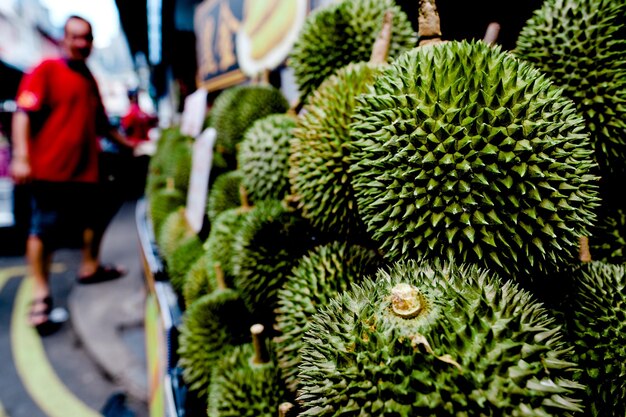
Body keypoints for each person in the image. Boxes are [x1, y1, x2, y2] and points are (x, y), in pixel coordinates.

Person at [10, 15, 136, 335]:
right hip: (50, 171)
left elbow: (103, 125)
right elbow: (23, 115)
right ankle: (41, 292)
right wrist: (22, 157)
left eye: (87, 38)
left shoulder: (89, 79)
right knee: (43, 230)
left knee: (95, 218)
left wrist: (132, 145)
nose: (81, 43)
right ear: (64, 39)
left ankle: (90, 265)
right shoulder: (45, 70)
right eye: (75, 37)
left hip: (85, 171)